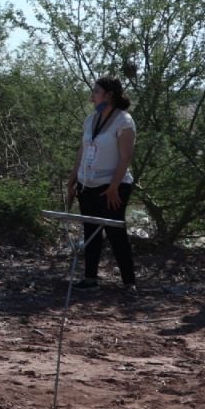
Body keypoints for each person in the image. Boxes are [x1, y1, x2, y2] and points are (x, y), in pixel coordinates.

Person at [66, 76, 137, 292]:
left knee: (115, 231)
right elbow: (83, 149)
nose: (92, 97)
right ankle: (90, 278)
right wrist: (72, 179)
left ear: (109, 95)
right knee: (90, 228)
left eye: (96, 92)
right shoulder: (91, 119)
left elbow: (125, 157)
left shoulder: (124, 121)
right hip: (88, 182)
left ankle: (128, 282)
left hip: (113, 185)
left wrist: (114, 186)